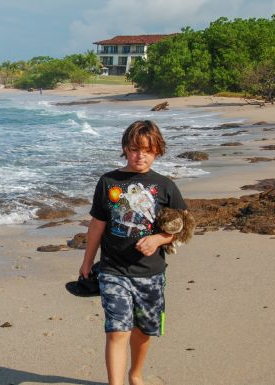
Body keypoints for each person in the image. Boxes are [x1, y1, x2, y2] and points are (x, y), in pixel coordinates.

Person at [78, 120, 186, 385]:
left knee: (144, 331)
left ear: (158, 151)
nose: (141, 155)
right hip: (113, 270)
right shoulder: (108, 182)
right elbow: (97, 225)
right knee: (117, 330)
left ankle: (135, 374)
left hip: (150, 273)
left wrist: (159, 239)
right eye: (135, 149)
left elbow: (182, 227)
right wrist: (87, 261)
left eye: (148, 150)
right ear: (125, 148)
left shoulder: (165, 186)